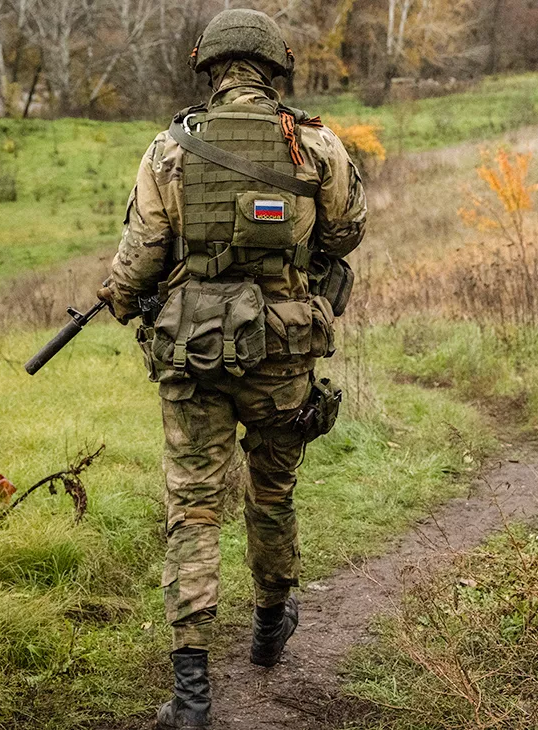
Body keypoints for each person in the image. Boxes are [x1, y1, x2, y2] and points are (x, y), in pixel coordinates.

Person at [95, 9, 367, 728]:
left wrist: (120, 298)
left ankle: (191, 696)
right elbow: (346, 231)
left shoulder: (169, 148)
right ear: (275, 67)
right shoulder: (316, 142)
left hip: (194, 353)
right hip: (282, 351)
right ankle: (272, 625)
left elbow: (143, 250)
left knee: (192, 505)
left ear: (208, 67)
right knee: (272, 493)